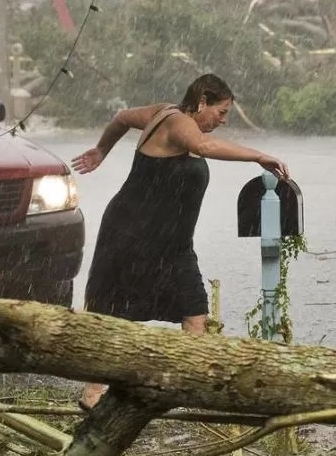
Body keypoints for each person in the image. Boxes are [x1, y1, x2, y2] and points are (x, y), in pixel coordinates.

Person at [71, 74, 289, 408]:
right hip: (132, 234)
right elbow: (202, 146)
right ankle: (93, 394)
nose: (223, 120)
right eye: (221, 111)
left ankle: (189, 388)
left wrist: (103, 149)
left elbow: (121, 118)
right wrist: (259, 156)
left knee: (194, 312)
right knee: (113, 313)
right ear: (202, 101)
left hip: (173, 245)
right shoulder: (174, 121)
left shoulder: (166, 116)